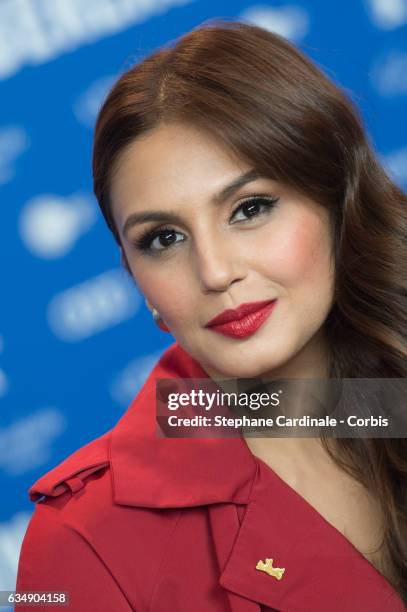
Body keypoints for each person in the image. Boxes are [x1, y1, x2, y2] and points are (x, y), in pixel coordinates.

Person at [15, 20, 406, 611]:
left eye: (250, 208)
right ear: (134, 276)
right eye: (164, 238)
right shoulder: (86, 540)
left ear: (337, 202)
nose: (216, 271)